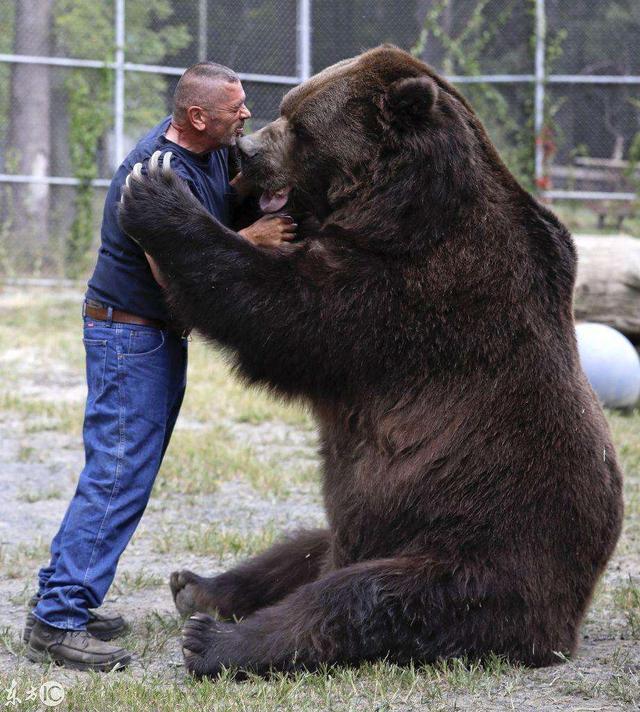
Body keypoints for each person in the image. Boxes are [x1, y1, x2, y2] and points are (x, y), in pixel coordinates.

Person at [24, 62, 295, 672]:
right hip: (129, 336)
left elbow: (235, 201)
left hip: (153, 338)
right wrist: (251, 240)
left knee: (121, 473)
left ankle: (62, 593)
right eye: (236, 107)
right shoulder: (155, 176)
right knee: (118, 476)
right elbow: (176, 278)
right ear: (198, 117)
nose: (246, 115)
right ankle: (57, 619)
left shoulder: (218, 155)